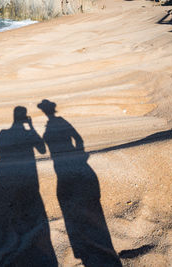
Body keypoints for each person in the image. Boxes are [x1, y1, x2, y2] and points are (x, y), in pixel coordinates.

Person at [38, 99, 122, 267]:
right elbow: (78, 140)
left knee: (77, 206)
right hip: (67, 167)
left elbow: (75, 140)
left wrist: (78, 155)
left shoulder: (59, 122)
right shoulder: (59, 122)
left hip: (67, 168)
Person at [0, 106, 57, 267]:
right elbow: (42, 149)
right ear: (24, 118)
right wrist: (31, 129)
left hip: (7, 173)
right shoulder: (24, 132)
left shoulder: (4, 133)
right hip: (28, 174)